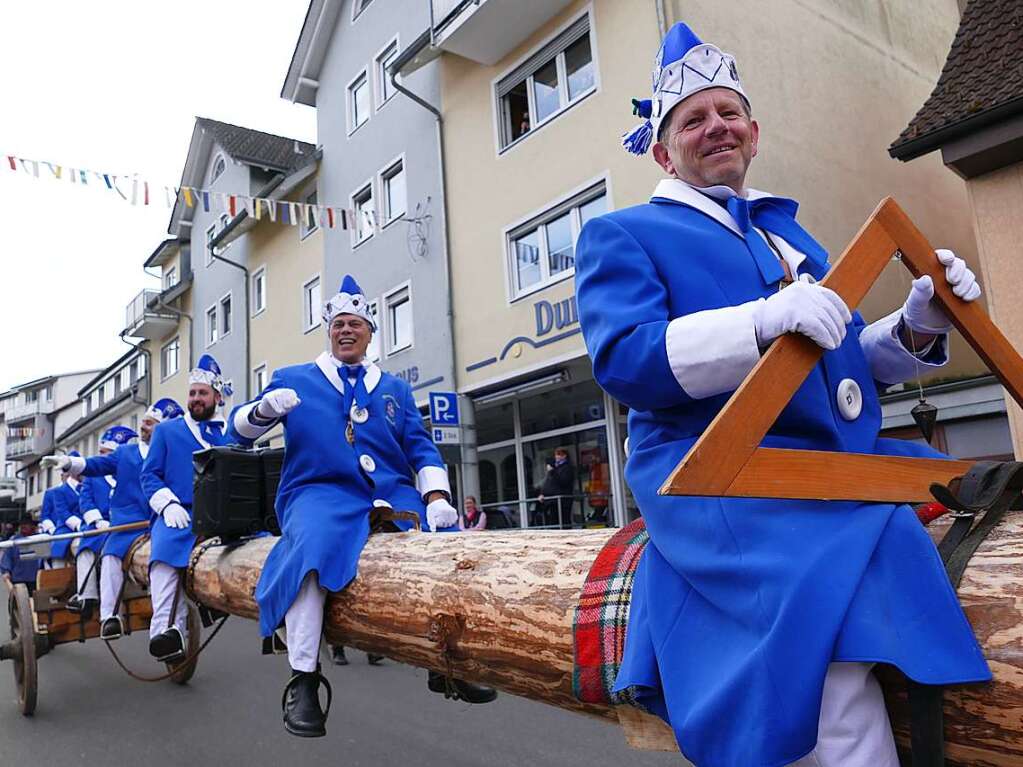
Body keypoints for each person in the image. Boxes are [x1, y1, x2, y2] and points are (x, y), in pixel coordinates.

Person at [575, 22, 990, 767]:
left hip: (825, 473)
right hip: (715, 478)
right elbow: (625, 359)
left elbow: (838, 371)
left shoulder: (793, 239)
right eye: (692, 119)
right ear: (663, 152)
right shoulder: (622, 234)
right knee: (826, 666)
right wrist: (759, 323)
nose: (715, 127)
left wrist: (917, 325)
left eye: (727, 112)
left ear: (754, 132)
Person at [229, 274, 496, 739]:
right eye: (338, 325)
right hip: (317, 491)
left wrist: (436, 496)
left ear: (371, 332)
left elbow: (420, 446)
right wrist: (265, 409)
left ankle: (447, 664)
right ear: (328, 331)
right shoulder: (293, 379)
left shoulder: (392, 387)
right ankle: (304, 678)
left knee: (444, 552)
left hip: (391, 493)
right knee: (311, 551)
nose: (346, 331)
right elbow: (239, 433)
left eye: (355, 324)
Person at [44, 403, 183, 640]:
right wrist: (71, 463)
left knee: (173, 560)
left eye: (150, 422)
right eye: (144, 420)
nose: (143, 425)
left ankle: (174, 624)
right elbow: (98, 465)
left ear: (164, 429)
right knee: (109, 557)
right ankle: (109, 617)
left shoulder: (172, 454)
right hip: (127, 524)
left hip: (160, 521)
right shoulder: (125, 453)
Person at [140, 356, 233, 663]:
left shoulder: (228, 433)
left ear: (217, 397)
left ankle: (277, 621)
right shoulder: (167, 432)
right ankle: (164, 631)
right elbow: (149, 474)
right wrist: (167, 504)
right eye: (192, 393)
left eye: (202, 393)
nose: (195, 399)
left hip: (221, 517)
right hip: (178, 514)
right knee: (165, 558)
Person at [38, 452, 84, 568]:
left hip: (85, 527)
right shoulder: (54, 492)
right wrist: (52, 530)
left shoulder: (86, 487)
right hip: (64, 529)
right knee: (58, 547)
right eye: (65, 472)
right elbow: (46, 516)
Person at [0, 516, 43, 594]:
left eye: (27, 524)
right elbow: (6, 559)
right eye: (22, 524)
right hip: (18, 580)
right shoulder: (14, 541)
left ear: (32, 526)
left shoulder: (40, 539)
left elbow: (44, 559)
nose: (23, 526)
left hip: (36, 579)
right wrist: (6, 574)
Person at [536, 448, 574, 527]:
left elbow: (563, 482)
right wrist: (542, 493)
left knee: (563, 522)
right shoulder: (555, 468)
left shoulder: (567, 467)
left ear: (564, 456)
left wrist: (552, 472)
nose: (557, 457)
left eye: (559, 455)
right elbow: (548, 483)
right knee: (553, 522)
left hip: (562, 501)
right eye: (556, 455)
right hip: (552, 501)